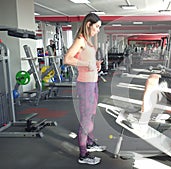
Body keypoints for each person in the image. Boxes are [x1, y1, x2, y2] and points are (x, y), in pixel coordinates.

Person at [64, 13, 106, 165]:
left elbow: (86, 60)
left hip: (93, 83)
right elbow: (67, 59)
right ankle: (83, 154)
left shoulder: (88, 42)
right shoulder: (80, 39)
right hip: (85, 85)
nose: (98, 30)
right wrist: (86, 64)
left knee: (92, 115)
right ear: (88, 24)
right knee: (86, 119)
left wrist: (94, 63)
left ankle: (90, 142)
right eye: (97, 26)